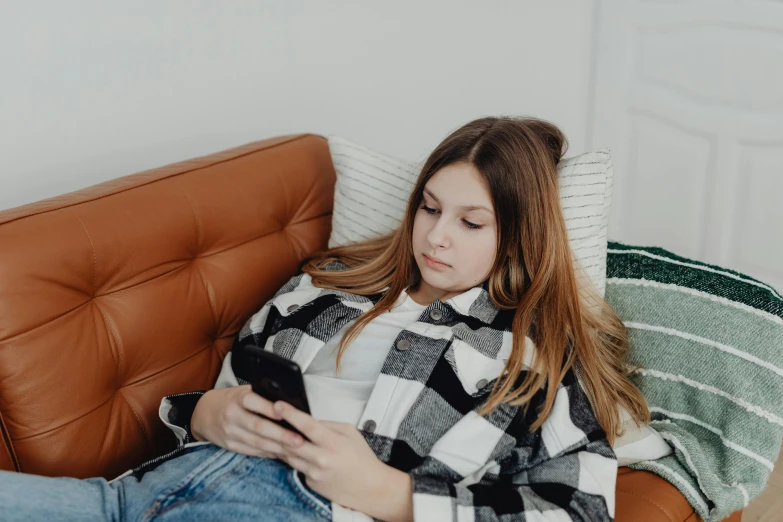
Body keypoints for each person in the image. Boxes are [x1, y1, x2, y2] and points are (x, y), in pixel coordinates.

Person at [0, 116, 649, 521]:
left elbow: (579, 510)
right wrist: (203, 413)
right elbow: (233, 392)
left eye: (470, 221)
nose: (437, 237)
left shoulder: (532, 355)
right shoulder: (322, 290)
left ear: (515, 238)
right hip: (132, 494)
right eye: (427, 208)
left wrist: (391, 495)